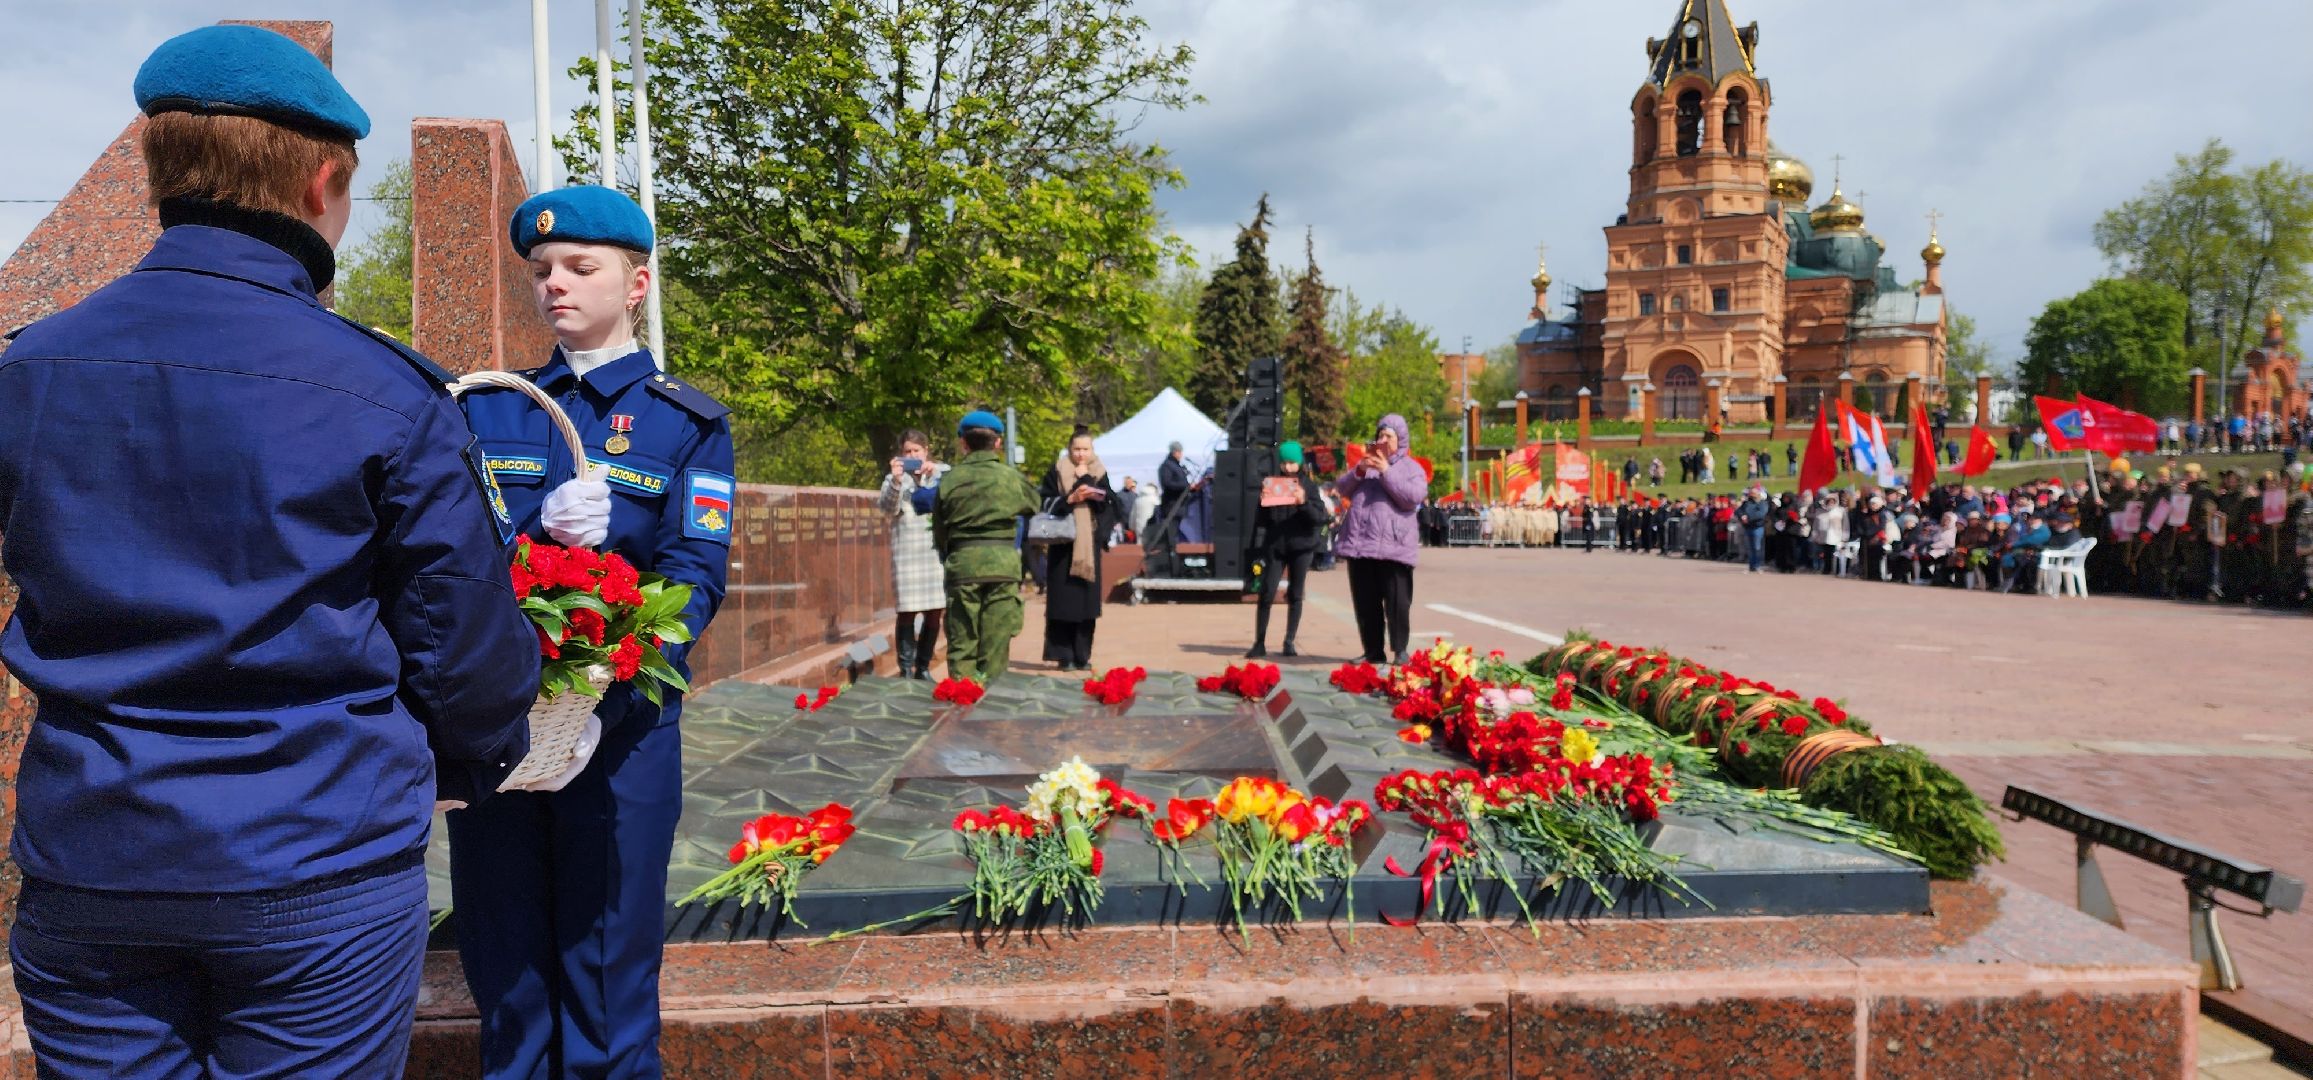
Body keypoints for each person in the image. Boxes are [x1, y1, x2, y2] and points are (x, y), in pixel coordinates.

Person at [0, 27, 540, 1076]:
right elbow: (466, 651)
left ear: (162, 168)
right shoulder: (386, 390)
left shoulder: (31, 369)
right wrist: (467, 763)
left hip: (94, 854)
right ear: (320, 183)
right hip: (313, 861)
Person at [449, 183, 735, 1077]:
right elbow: (447, 557)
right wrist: (532, 534)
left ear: (636, 283)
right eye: (542, 270)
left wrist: (603, 696)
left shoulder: (685, 422)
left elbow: (694, 577)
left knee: (609, 972)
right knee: (506, 971)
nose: (555, 285)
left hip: (620, 736)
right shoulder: (488, 408)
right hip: (501, 730)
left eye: (580, 267)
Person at [935, 412, 1040, 681]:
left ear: (963, 443)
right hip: (1003, 566)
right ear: (998, 443)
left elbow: (939, 530)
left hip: (964, 565)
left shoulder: (949, 479)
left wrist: (952, 556)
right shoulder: (1011, 478)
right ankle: (992, 699)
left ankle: (961, 696)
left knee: (962, 641)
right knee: (996, 643)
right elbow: (1034, 504)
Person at [1334, 415, 1424, 665]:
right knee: (1365, 603)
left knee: (1398, 603)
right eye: (1380, 435)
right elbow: (1342, 488)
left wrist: (1386, 471)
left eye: (1389, 436)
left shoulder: (1411, 468)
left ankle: (1400, 650)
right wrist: (1359, 471)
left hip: (1394, 546)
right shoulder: (1365, 467)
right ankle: (1373, 650)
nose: (1383, 440)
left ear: (1400, 440)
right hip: (1361, 545)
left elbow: (1412, 497)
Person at [1038, 430, 1118, 671]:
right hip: (1063, 545)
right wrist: (1070, 499)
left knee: (1086, 604)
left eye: (1086, 449)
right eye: (1077, 449)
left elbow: (1111, 503)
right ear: (1069, 449)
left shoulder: (1099, 471)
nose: (1081, 454)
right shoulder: (1057, 470)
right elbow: (1044, 502)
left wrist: (1088, 482)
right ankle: (1064, 656)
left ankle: (1082, 655)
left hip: (1088, 547)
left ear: (1092, 450)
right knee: (1063, 603)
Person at [1248, 442, 1327, 658]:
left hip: (1302, 546)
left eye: (1292, 462)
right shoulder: (1273, 483)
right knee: (1267, 592)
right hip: (1276, 546)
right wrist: (1262, 502)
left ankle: (1289, 641)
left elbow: (1319, 518)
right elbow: (1262, 521)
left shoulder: (1308, 486)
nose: (1287, 467)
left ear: (1299, 462)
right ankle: (1259, 642)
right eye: (1284, 462)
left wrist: (1303, 502)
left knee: (1295, 593)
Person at [881, 430, 948, 678]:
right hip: (907, 554)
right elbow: (888, 509)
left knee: (934, 612)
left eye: (916, 451)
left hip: (933, 553)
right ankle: (906, 669)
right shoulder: (894, 479)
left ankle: (923, 667)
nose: (912, 455)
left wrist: (933, 476)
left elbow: (950, 505)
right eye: (907, 451)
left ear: (926, 451)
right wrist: (897, 481)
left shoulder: (941, 474)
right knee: (907, 611)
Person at [1735, 487, 1769, 572]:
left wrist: (1748, 518)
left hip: (1757, 527)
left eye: (1753, 493)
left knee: (1757, 547)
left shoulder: (1762, 503)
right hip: (1748, 527)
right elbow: (1738, 511)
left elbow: (1761, 514)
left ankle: (1758, 565)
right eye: (1751, 493)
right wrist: (1742, 516)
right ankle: (1751, 565)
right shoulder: (1747, 503)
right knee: (1750, 547)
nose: (1752, 494)